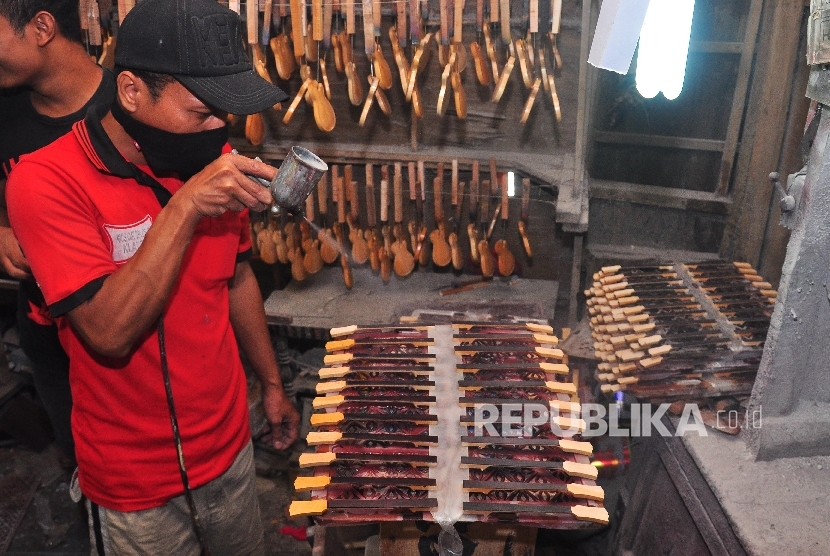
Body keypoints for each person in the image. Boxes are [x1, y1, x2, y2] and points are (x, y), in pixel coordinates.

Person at [6, 0, 300, 553]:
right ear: (132, 91)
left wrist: (273, 383)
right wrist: (186, 205)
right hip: (133, 486)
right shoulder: (44, 182)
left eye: (226, 113)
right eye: (201, 112)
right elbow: (109, 332)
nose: (219, 130)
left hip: (231, 450)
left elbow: (234, 277)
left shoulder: (214, 157)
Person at [0, 0, 115, 465]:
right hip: (49, 342)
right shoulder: (5, 108)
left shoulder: (130, 108)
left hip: (130, 348)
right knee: (83, 468)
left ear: (41, 27)